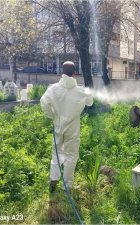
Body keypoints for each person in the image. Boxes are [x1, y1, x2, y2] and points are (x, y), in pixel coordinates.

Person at [40, 61, 93, 192]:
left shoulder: (53, 89)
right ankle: (67, 185)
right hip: (73, 128)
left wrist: (53, 116)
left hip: (58, 125)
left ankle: (54, 178)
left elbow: (43, 103)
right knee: (71, 155)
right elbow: (90, 102)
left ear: (62, 73)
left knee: (56, 152)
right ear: (74, 74)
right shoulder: (81, 91)